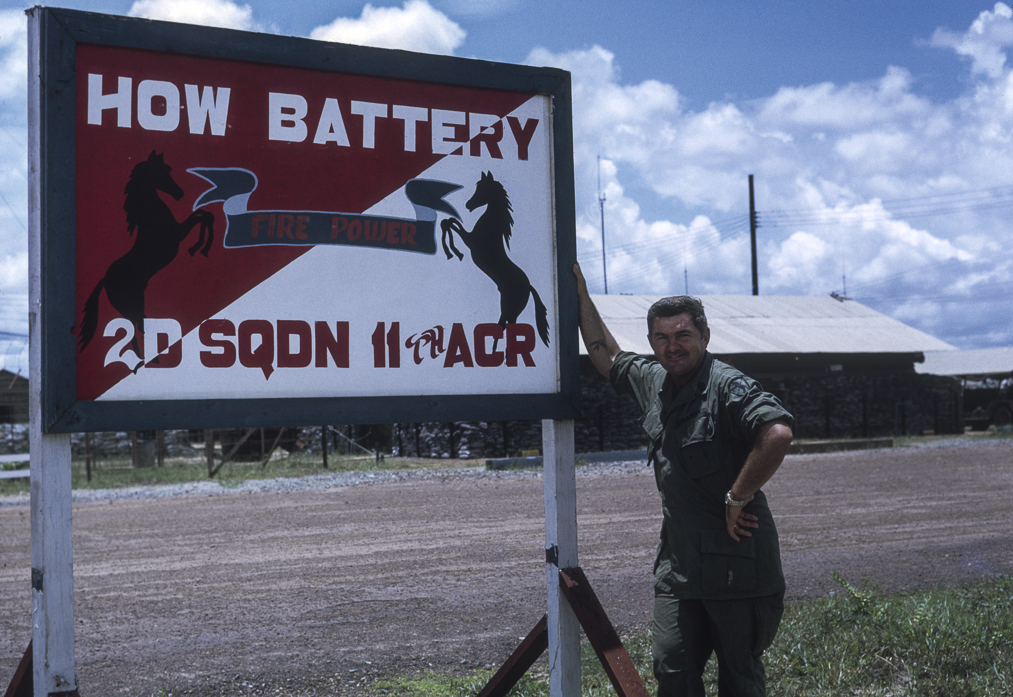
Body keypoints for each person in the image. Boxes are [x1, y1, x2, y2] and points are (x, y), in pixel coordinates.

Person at [573, 263, 793, 697]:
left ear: (705, 336)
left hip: (736, 564)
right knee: (672, 669)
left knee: (739, 678)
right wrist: (579, 293)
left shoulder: (727, 387)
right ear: (652, 341)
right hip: (679, 569)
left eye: (683, 335)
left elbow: (777, 433)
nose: (672, 346)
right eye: (662, 338)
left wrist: (738, 496)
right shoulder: (654, 380)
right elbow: (607, 355)